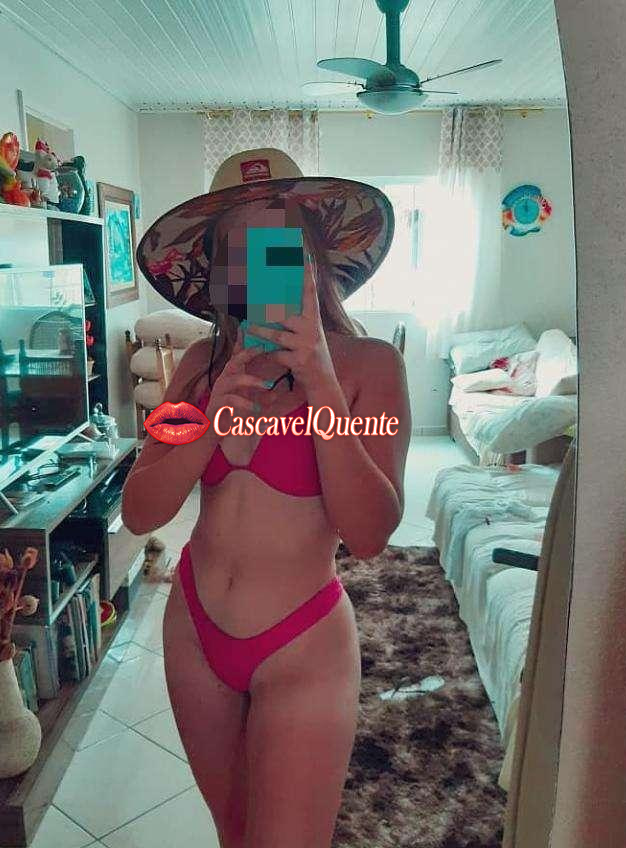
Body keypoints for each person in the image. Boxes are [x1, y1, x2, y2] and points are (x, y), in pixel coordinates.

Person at [123, 148, 411, 848]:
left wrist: (320, 381)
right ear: (219, 272)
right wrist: (207, 427)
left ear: (311, 259)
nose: (258, 269)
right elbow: (139, 511)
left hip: (302, 642)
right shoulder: (199, 366)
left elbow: (369, 534)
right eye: (238, 251)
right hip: (194, 629)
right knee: (234, 834)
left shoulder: (370, 366)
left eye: (276, 248)